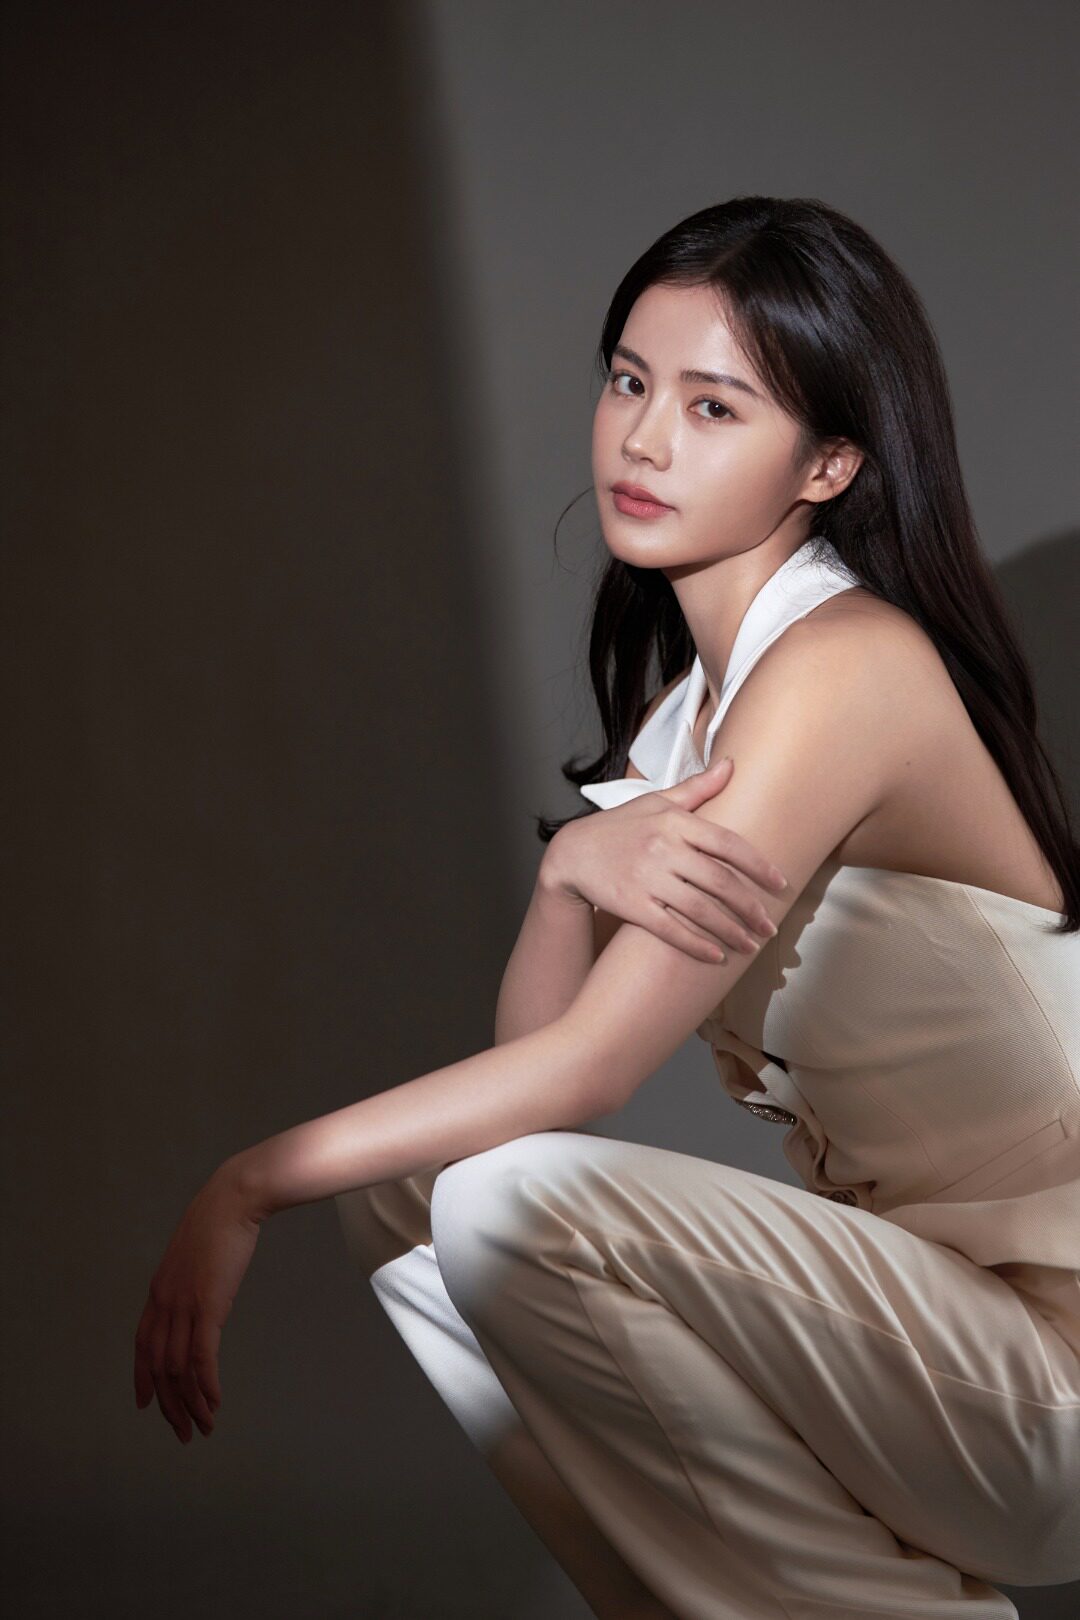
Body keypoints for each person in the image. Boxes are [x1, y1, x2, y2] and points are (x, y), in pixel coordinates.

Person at [133, 195, 1080, 1618]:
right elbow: (534, 1104)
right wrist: (565, 876)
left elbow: (584, 1076)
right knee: (420, 1200)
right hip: (930, 1350)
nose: (642, 440)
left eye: (713, 407)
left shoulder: (846, 667)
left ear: (828, 464)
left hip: (1047, 1374)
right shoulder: (687, 723)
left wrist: (246, 1180)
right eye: (630, 382)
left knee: (496, 1199)